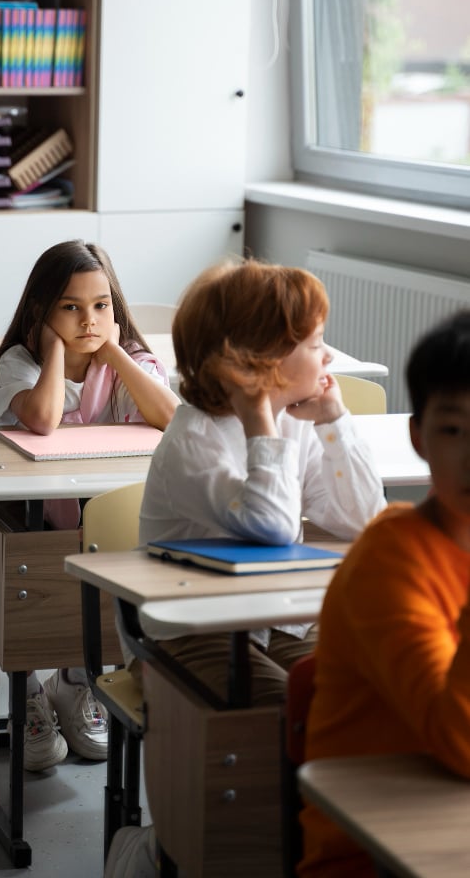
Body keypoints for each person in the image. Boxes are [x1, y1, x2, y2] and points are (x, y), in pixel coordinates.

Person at [105, 256, 386, 877]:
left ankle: (315, 847)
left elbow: (361, 518)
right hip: (186, 633)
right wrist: (263, 422)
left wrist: (334, 422)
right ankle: (158, 846)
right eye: (314, 345)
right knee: (282, 713)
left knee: (349, 699)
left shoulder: (294, 420)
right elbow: (272, 527)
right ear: (260, 361)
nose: (328, 358)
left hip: (273, 622)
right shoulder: (197, 436)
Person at [0, 239, 179, 773]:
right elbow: (42, 419)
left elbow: (168, 415)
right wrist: (56, 354)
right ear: (41, 311)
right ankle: (27, 691)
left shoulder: (131, 360)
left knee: (114, 586)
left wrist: (113, 351)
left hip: (112, 521)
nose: (88, 319)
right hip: (37, 522)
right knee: (37, 588)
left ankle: (75, 681)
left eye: (101, 305)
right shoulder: (21, 363)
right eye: (70, 306)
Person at [298, 309, 470, 878]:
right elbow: (461, 743)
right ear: (419, 437)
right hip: (374, 853)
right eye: (453, 430)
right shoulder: (391, 559)